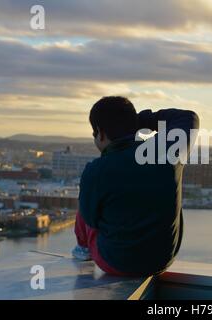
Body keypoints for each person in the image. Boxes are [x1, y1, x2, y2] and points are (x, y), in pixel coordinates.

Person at [72, 96, 199, 277]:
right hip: (162, 260)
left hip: (116, 262)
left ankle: (83, 250)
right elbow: (188, 117)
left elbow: (90, 220)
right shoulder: (166, 151)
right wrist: (136, 121)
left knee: (88, 198)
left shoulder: (96, 170)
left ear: (100, 133)